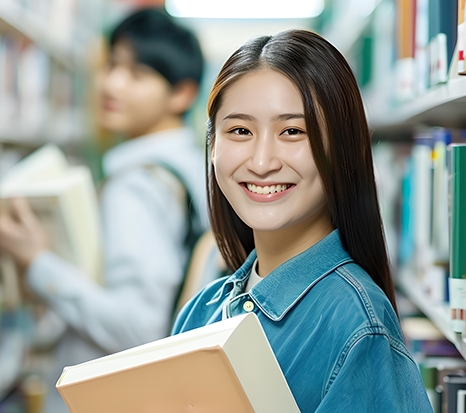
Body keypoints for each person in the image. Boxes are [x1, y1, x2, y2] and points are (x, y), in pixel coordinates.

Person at [172, 30, 434, 412]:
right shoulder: (200, 312)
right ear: (213, 146)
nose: (262, 163)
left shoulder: (358, 327)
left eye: (293, 131)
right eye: (240, 131)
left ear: (342, 149)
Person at [0, 8, 208, 413]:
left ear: (182, 93)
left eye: (137, 75)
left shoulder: (137, 186)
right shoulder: (192, 168)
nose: (111, 84)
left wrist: (38, 262)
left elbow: (139, 326)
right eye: (111, 65)